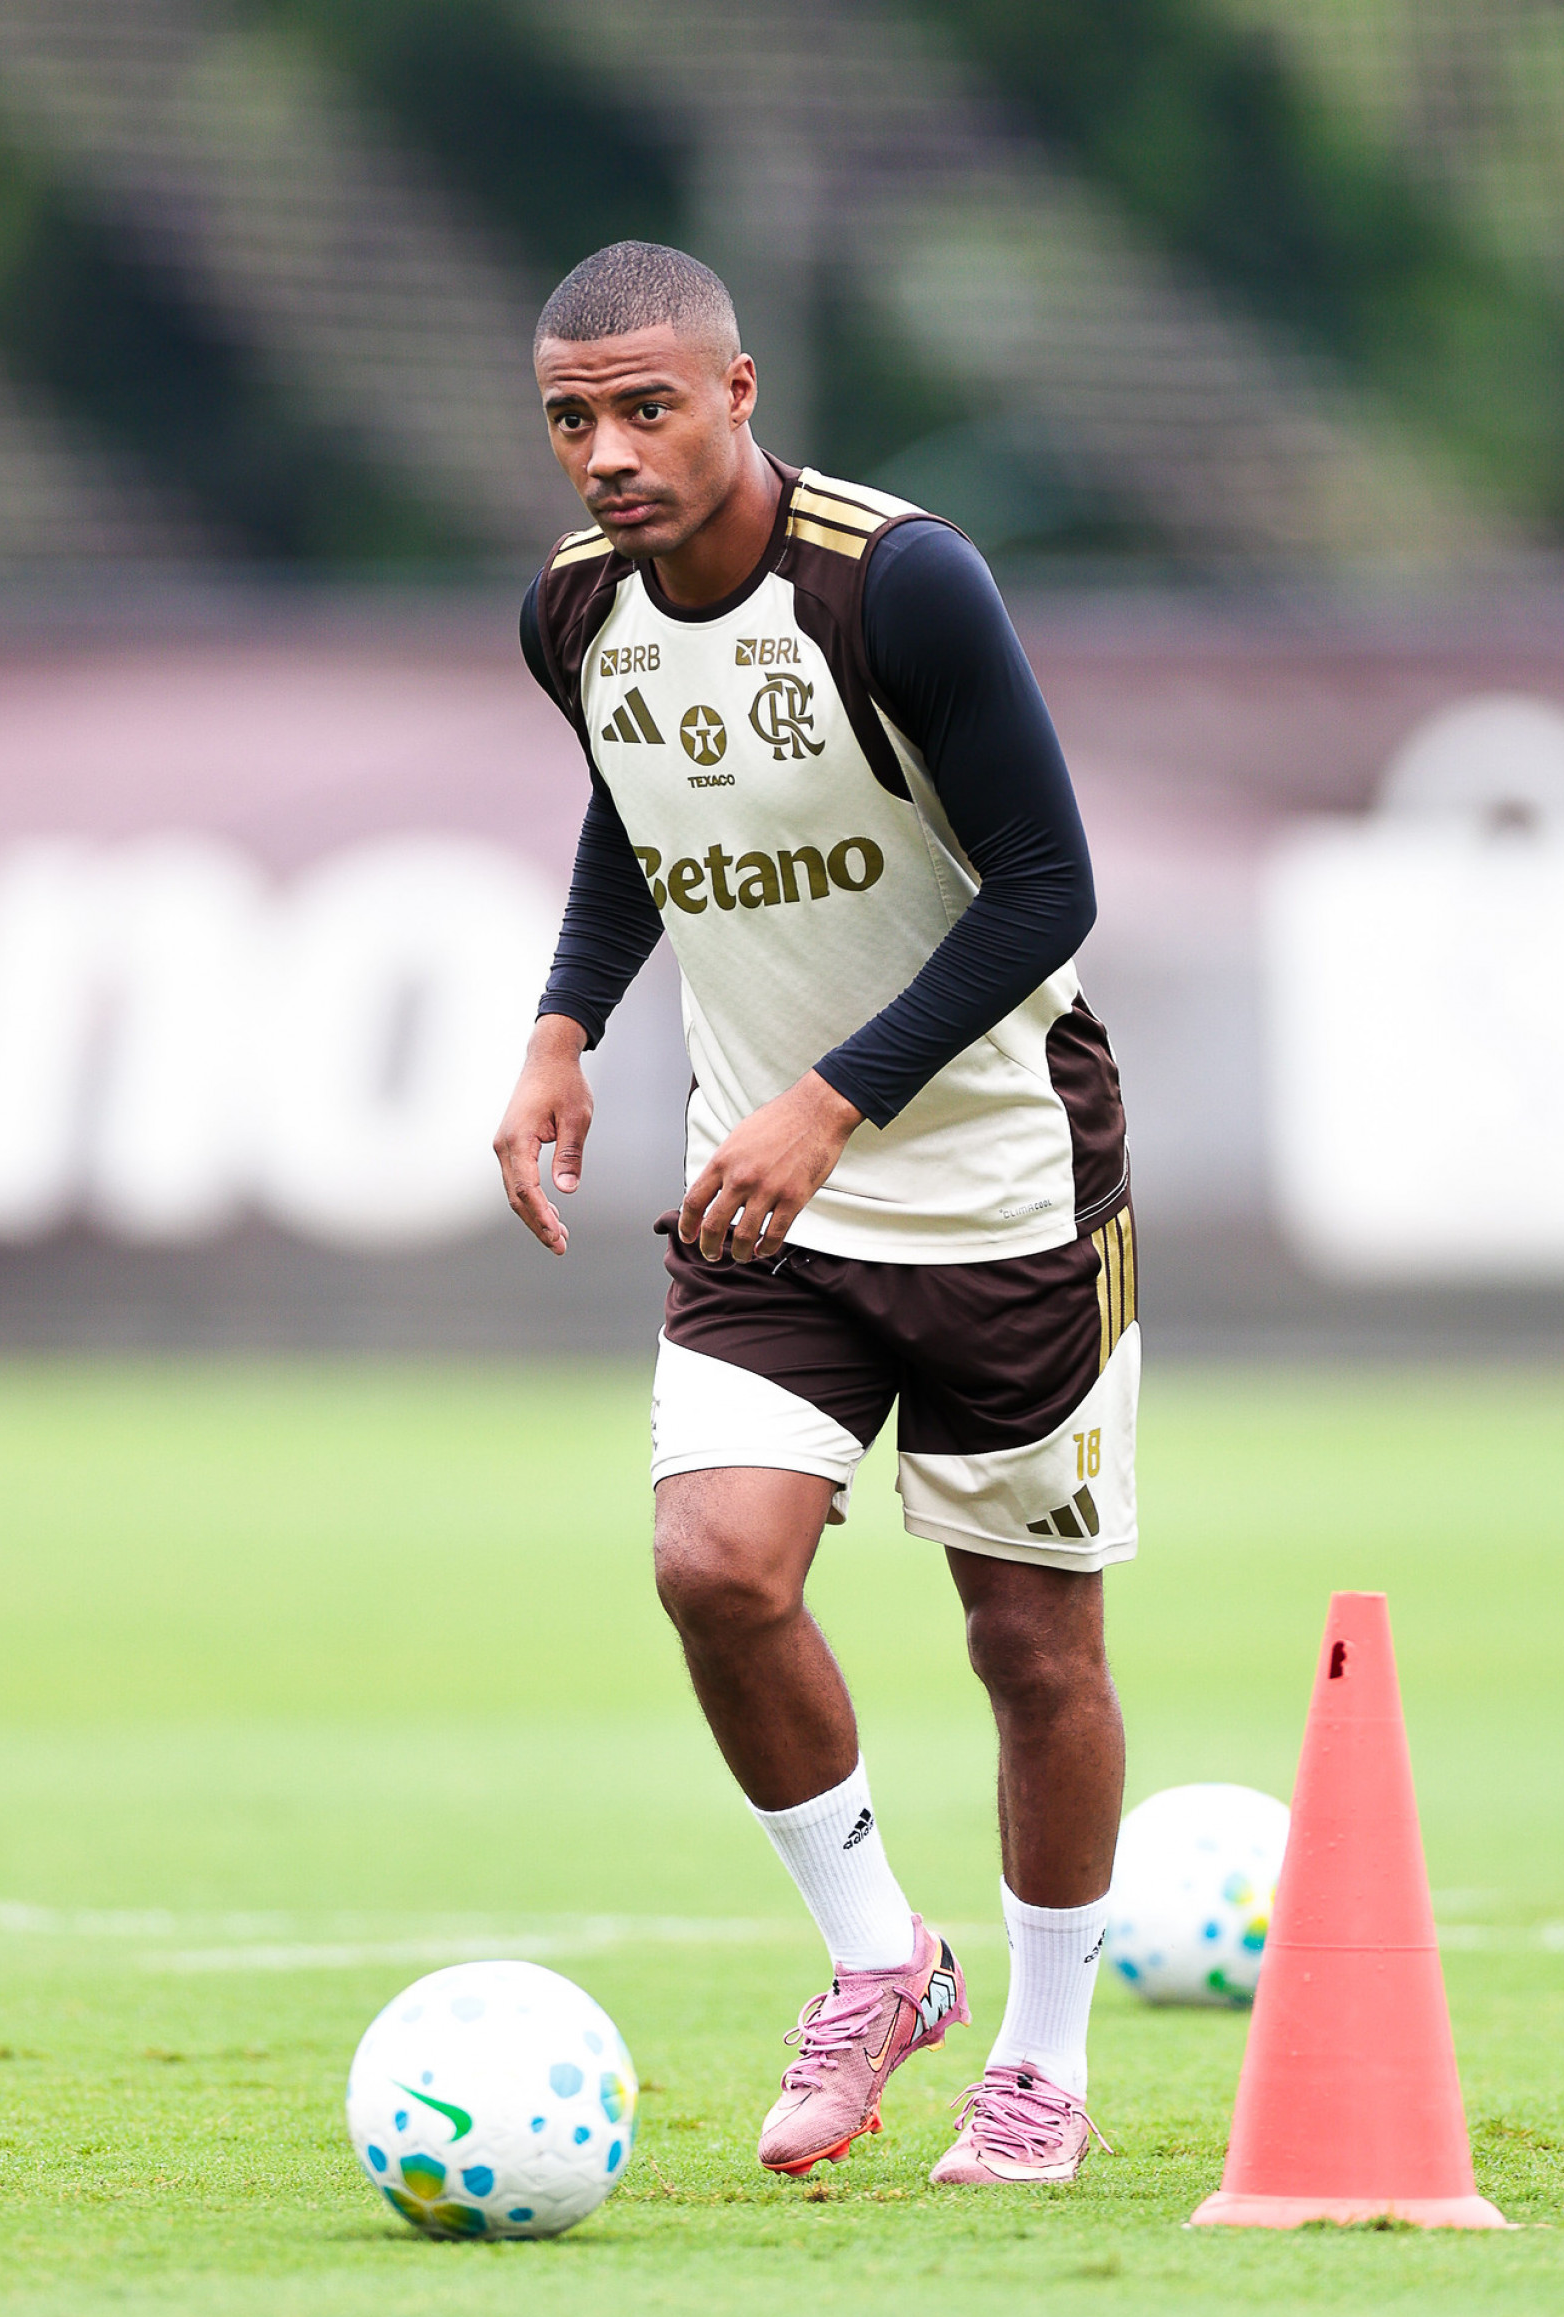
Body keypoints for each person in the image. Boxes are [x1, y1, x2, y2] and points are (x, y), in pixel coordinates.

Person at [495, 241, 1137, 2187]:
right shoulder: (573, 615)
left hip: (1002, 1179)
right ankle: (883, 1960)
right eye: (571, 420)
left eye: (645, 407)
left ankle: (1041, 2060)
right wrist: (561, 1026)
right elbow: (643, 811)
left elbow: (1048, 888)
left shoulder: (900, 580)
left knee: (1031, 1650)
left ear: (739, 391)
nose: (607, 451)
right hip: (768, 1188)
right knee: (715, 1568)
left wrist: (831, 1099)